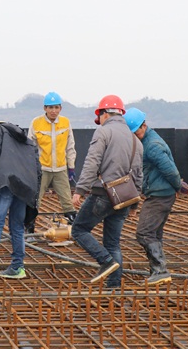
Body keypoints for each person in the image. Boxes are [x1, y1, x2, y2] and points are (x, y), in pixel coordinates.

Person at [71, 95, 143, 288]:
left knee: (79, 230)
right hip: (124, 199)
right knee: (113, 243)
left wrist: (80, 189)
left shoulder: (103, 132)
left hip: (103, 194)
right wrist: (135, 204)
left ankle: (106, 261)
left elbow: (91, 162)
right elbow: (138, 175)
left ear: (104, 114)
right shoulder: (136, 140)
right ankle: (114, 287)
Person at [124, 107, 181, 285]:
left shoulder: (153, 146)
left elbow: (170, 170)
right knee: (154, 234)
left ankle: (160, 270)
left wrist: (178, 186)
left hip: (160, 195)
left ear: (144, 126)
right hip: (159, 193)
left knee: (144, 232)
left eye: (136, 132)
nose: (135, 136)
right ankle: (156, 271)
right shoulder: (146, 141)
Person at [0, 122, 41, 281]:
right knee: (18, 227)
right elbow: (37, 168)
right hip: (23, 185)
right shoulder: (25, 140)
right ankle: (18, 267)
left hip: (5, 182)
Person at [28, 91, 77, 233]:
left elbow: (70, 146)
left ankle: (75, 232)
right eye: (50, 107)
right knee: (35, 200)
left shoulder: (65, 123)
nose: (53, 111)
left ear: (60, 108)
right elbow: (30, 147)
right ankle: (29, 231)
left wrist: (71, 167)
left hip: (60, 169)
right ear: (45, 108)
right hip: (42, 169)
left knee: (67, 202)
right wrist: (32, 168)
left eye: (56, 107)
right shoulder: (36, 123)